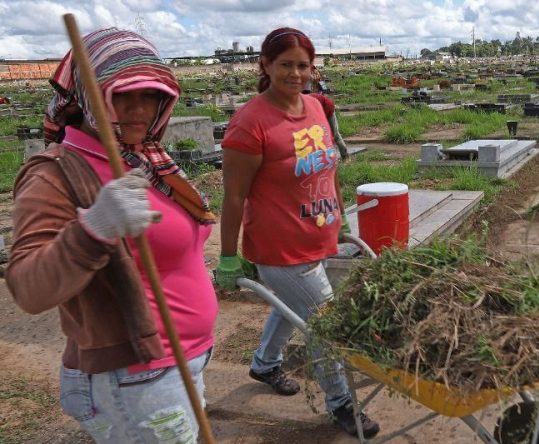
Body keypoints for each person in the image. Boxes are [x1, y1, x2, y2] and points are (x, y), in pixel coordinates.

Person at [5, 28, 218, 443]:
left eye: (150, 95)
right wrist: (94, 229)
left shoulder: (144, 161)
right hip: (135, 378)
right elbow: (28, 288)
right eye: (121, 95)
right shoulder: (57, 173)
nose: (139, 109)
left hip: (181, 362)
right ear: (90, 98)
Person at [213, 27, 379, 438]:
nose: (295, 73)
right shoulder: (250, 123)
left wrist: (339, 215)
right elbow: (234, 197)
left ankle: (265, 363)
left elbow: (329, 167)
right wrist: (229, 256)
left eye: (303, 65)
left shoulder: (316, 107)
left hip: (318, 236)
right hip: (280, 248)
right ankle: (341, 402)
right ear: (265, 65)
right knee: (326, 323)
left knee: (293, 307)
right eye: (285, 64)